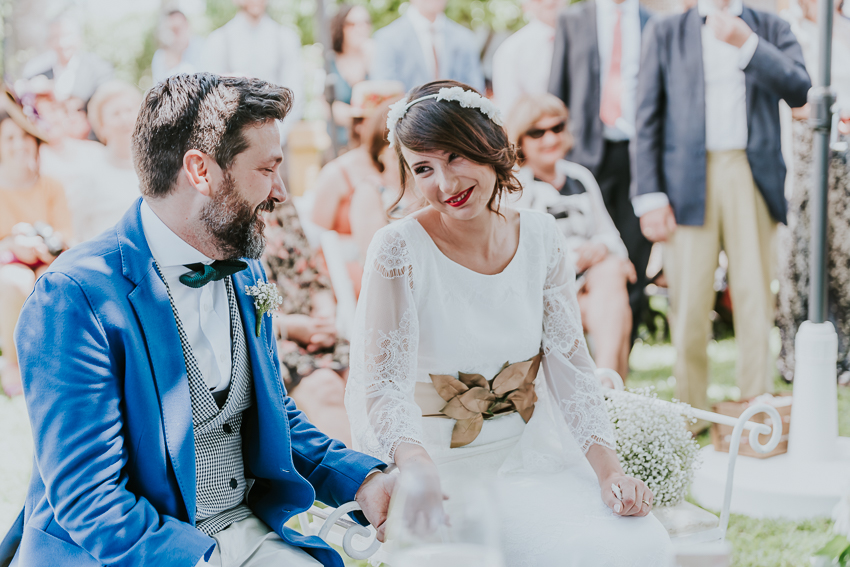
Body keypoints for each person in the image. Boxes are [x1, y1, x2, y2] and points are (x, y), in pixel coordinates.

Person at [0, 73, 394, 567]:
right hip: (129, 552)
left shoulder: (244, 264)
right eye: (268, 169)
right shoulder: (74, 298)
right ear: (201, 172)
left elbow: (270, 415)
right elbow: (90, 501)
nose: (281, 192)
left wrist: (366, 479)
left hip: (240, 529)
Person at [345, 80, 671, 566]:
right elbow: (383, 388)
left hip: (532, 456)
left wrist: (610, 473)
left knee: (638, 544)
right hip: (441, 470)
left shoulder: (541, 236)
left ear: (489, 146)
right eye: (424, 168)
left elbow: (571, 368)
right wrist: (417, 471)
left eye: (456, 156)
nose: (446, 184)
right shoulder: (398, 249)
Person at [633, 0, 811, 412]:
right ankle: (690, 412)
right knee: (690, 303)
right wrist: (650, 197)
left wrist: (746, 43)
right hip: (683, 181)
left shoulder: (768, 25)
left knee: (754, 295)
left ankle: (755, 409)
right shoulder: (665, 32)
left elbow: (801, 89)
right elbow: (646, 117)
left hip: (750, 171)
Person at [507, 94, 635, 380]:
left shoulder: (580, 177)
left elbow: (609, 234)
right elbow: (521, 251)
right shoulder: (517, 188)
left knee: (611, 275)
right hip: (550, 289)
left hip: (597, 282)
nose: (550, 138)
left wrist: (601, 247)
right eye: (537, 132)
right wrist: (576, 257)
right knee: (617, 310)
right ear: (521, 140)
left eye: (557, 128)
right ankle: (609, 385)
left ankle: (603, 382)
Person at [548, 0, 653, 345]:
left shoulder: (652, 22)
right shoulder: (573, 19)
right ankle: (577, 353)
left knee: (633, 255)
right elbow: (557, 91)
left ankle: (623, 356)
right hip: (585, 155)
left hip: (640, 154)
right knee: (582, 249)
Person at [776, 0, 850, 384]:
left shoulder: (845, 24)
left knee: (845, 258)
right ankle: (799, 354)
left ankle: (846, 356)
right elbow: (794, 96)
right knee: (805, 254)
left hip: (846, 154)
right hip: (807, 155)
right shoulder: (787, 28)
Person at [262, 199, 353, 445]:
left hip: (314, 330)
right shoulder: (221, 216)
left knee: (362, 379)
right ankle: (360, 477)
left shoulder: (281, 205)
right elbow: (241, 306)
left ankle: (392, 471)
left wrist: (324, 320)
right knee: (326, 387)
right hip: (271, 337)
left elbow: (314, 275)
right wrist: (293, 326)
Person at [0, 89, 71, 398]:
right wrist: (16, 246)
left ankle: (50, 363)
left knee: (50, 280)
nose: (18, 145)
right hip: (10, 261)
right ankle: (13, 363)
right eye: (9, 138)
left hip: (48, 258)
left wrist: (45, 247)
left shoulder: (50, 186)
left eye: (23, 137)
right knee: (15, 282)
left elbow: (66, 234)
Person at [310, 82, 404, 295]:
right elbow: (316, 241)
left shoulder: (409, 168)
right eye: (382, 119)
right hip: (349, 277)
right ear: (360, 125)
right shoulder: (337, 173)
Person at [203, 0, 304, 144]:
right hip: (233, 142)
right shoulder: (218, 40)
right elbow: (212, 96)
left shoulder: (285, 38)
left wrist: (274, 136)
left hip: (277, 138)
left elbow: (295, 93)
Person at [68, 81, 142, 242]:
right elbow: (76, 231)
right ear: (101, 125)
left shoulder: (158, 166)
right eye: (115, 114)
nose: (125, 119)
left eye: (129, 110)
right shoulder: (88, 174)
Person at [370, 0, 485, 94]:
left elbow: (476, 89)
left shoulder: (464, 38)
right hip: (408, 120)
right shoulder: (387, 38)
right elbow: (385, 92)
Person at [491, 0, 565, 114]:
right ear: (525, 6)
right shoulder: (510, 51)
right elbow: (511, 111)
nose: (549, 2)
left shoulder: (591, 39)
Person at [23, 15, 113, 103]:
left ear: (79, 39)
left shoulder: (99, 70)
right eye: (55, 37)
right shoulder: (37, 70)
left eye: (67, 35)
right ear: (48, 42)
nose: (61, 43)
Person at [328, 4, 373, 148]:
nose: (359, 29)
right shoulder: (329, 62)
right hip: (340, 145)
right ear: (341, 27)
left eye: (364, 23)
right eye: (352, 24)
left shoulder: (375, 58)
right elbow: (327, 108)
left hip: (373, 144)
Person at [152, 9, 204, 84]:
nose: (175, 34)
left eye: (178, 29)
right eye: (171, 30)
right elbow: (157, 86)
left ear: (187, 26)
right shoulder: (160, 56)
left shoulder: (202, 47)